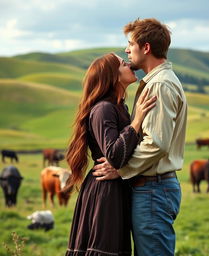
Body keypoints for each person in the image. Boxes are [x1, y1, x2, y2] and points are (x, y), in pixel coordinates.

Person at [93, 18, 187, 256]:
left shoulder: (160, 86)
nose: (126, 50)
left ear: (145, 47)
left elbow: (156, 144)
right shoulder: (156, 82)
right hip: (151, 189)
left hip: (153, 189)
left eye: (130, 43)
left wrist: (121, 170)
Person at [65, 53, 157, 256]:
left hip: (115, 187)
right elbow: (114, 156)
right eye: (123, 64)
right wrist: (137, 121)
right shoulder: (104, 109)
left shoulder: (119, 107)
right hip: (104, 192)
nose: (129, 65)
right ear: (113, 76)